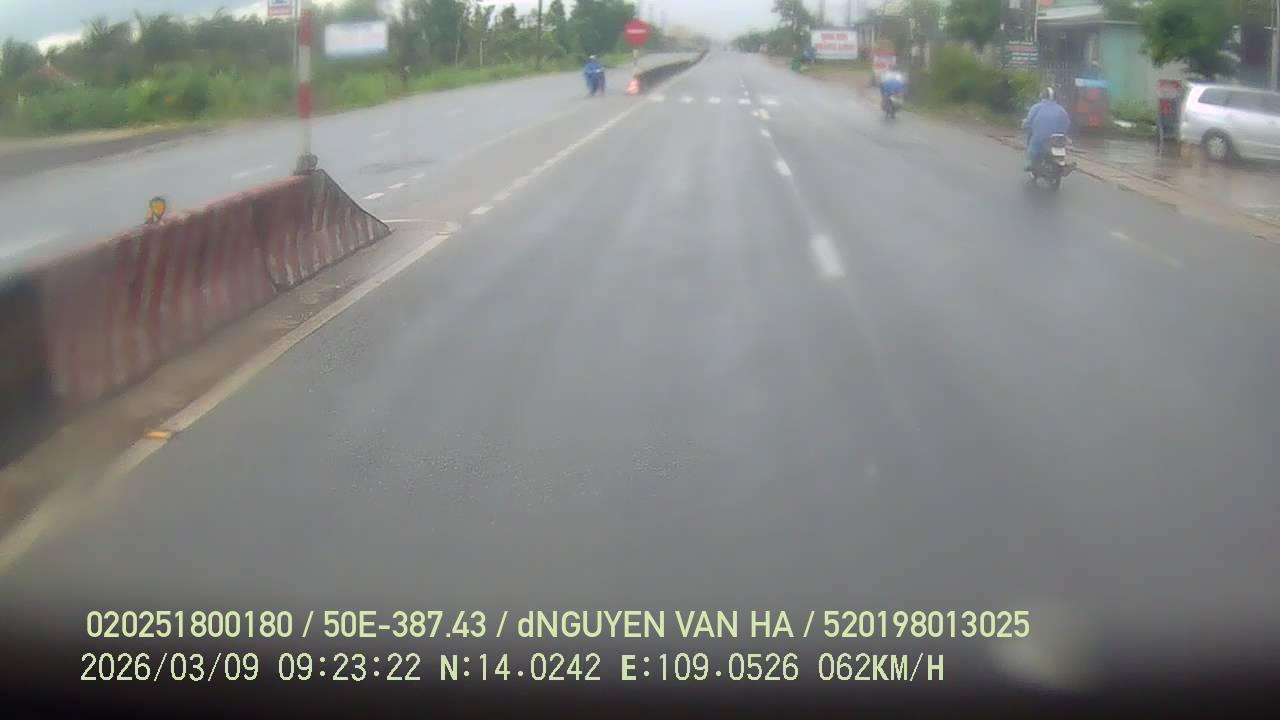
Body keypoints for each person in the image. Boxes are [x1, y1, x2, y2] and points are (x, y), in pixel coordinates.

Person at [1022, 87, 1071, 172]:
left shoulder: (1037, 107)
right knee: (1061, 146)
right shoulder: (1060, 109)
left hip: (1040, 135)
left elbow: (1029, 119)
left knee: (1033, 147)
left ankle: (1029, 164)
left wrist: (1024, 124)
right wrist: (1063, 132)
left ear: (1042, 96)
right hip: (1057, 137)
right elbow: (1067, 122)